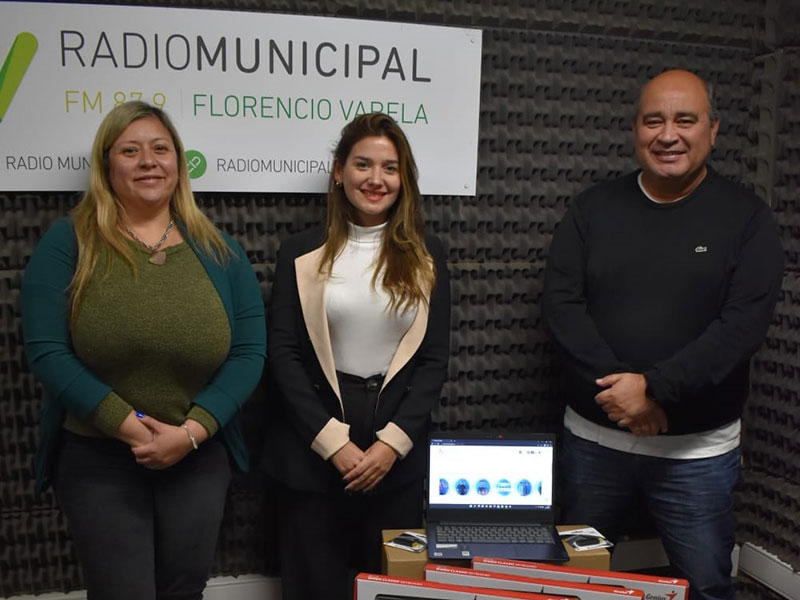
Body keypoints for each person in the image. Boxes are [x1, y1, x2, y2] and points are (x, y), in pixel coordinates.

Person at [542, 69, 784, 600]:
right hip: (595, 445)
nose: (668, 135)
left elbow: (741, 328)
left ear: (713, 130)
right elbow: (562, 307)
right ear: (635, 130)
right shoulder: (592, 210)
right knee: (574, 585)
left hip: (696, 456)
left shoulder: (748, 221)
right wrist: (624, 395)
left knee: (706, 586)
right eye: (654, 121)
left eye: (685, 120)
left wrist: (653, 389)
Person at [22, 101, 266, 600]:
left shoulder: (220, 250)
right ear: (107, 164)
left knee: (183, 591)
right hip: (99, 457)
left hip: (196, 456)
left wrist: (190, 434)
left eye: (160, 148)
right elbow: (47, 351)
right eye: (130, 151)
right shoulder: (69, 242)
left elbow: (249, 354)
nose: (148, 161)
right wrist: (132, 428)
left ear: (178, 162)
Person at [262, 112, 450, 600]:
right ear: (338, 171)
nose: (376, 179)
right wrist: (332, 443)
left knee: (391, 591)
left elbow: (433, 360)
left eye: (390, 167)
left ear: (403, 179)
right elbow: (283, 354)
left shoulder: (429, 255)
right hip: (312, 451)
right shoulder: (299, 252)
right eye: (363, 164)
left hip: (395, 458)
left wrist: (392, 445)